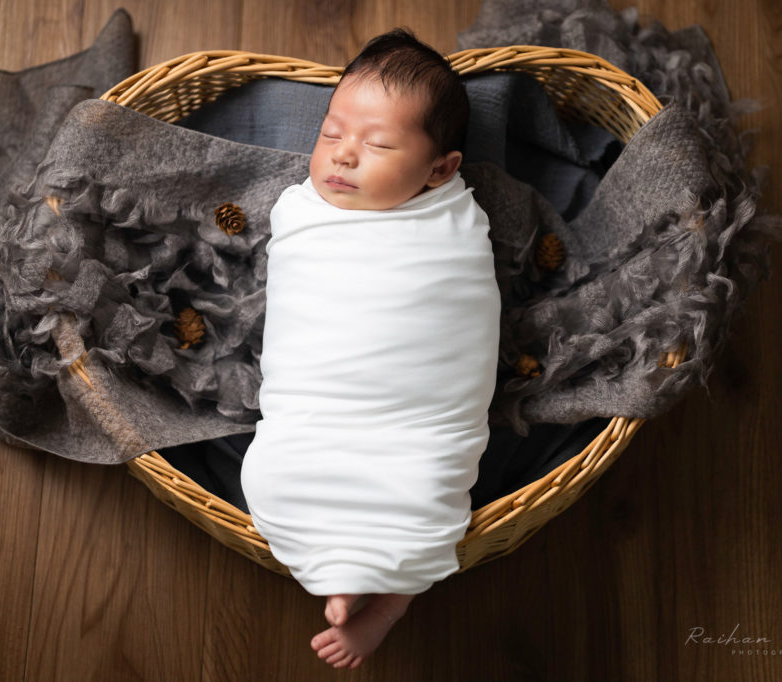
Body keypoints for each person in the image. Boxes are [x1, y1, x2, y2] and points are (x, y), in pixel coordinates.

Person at [240, 28, 500, 670]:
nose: (343, 156)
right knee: (273, 477)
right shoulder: (300, 211)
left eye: (378, 144)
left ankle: (386, 604)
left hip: (418, 421)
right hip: (315, 407)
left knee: (427, 493)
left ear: (441, 169)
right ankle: (342, 575)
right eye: (330, 134)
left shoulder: (453, 225)